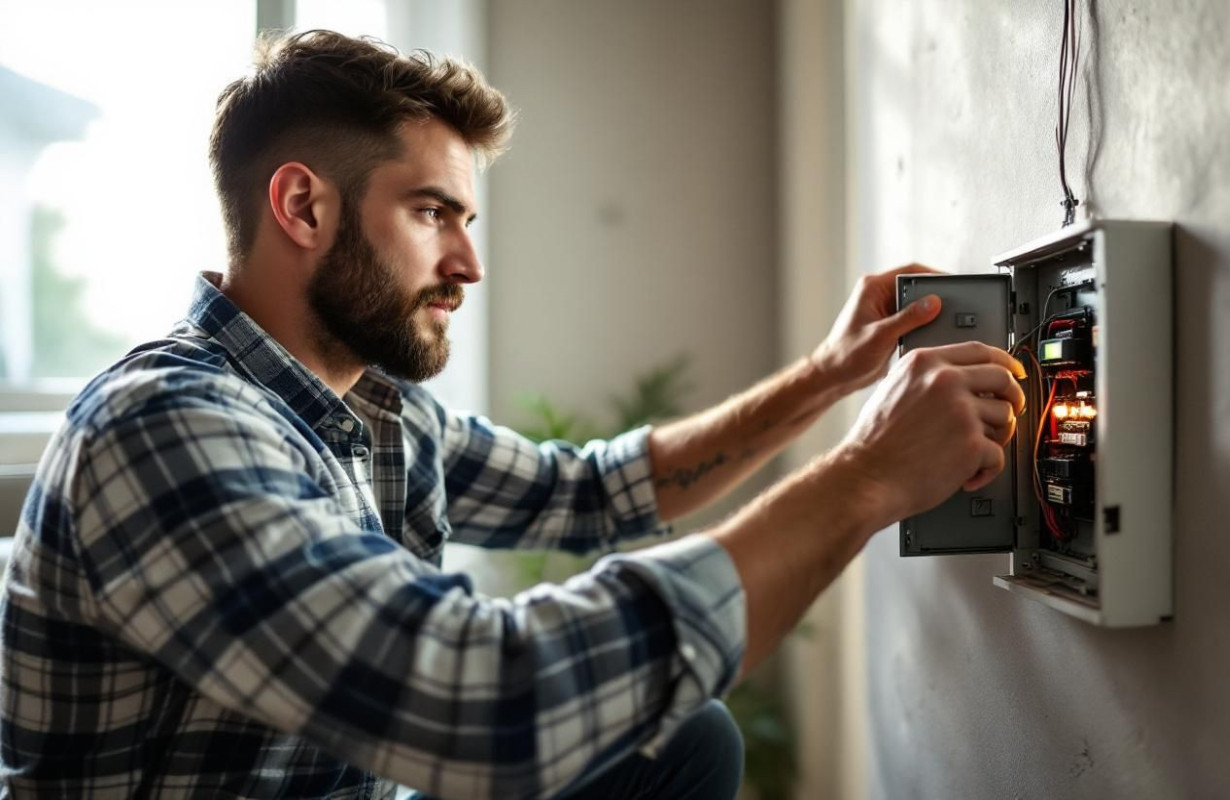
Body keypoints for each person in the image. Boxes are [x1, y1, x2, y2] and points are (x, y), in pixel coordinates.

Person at [0, 30, 1025, 800]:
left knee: (683, 737)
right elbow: (490, 703)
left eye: (466, 218)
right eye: (431, 212)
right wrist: (867, 478)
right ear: (304, 208)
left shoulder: (378, 410)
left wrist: (826, 375)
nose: (468, 264)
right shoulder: (166, 430)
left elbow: (594, 490)